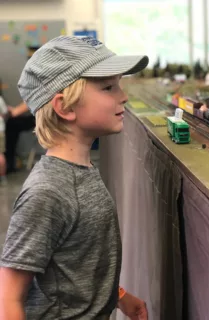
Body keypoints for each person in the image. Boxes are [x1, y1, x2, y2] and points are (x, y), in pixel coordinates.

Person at [0, 35, 150, 319]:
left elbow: (74, 261)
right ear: (65, 107)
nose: (123, 95)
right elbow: (8, 297)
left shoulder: (81, 171)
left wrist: (118, 296)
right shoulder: (48, 192)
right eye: (108, 87)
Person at [4, 101, 35, 174]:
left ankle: (9, 164)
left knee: (11, 124)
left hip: (39, 117)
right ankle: (10, 164)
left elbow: (15, 113)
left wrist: (13, 110)